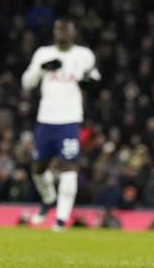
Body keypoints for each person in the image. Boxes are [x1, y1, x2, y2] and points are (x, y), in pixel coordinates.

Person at [22, 19, 99, 231]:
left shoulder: (84, 55)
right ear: (54, 32)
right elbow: (26, 83)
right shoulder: (43, 53)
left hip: (70, 120)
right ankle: (48, 200)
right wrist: (41, 69)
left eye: (67, 28)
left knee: (69, 167)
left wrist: (86, 81)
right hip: (46, 119)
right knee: (38, 169)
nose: (63, 32)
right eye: (58, 28)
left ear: (74, 32)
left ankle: (61, 220)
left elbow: (96, 82)